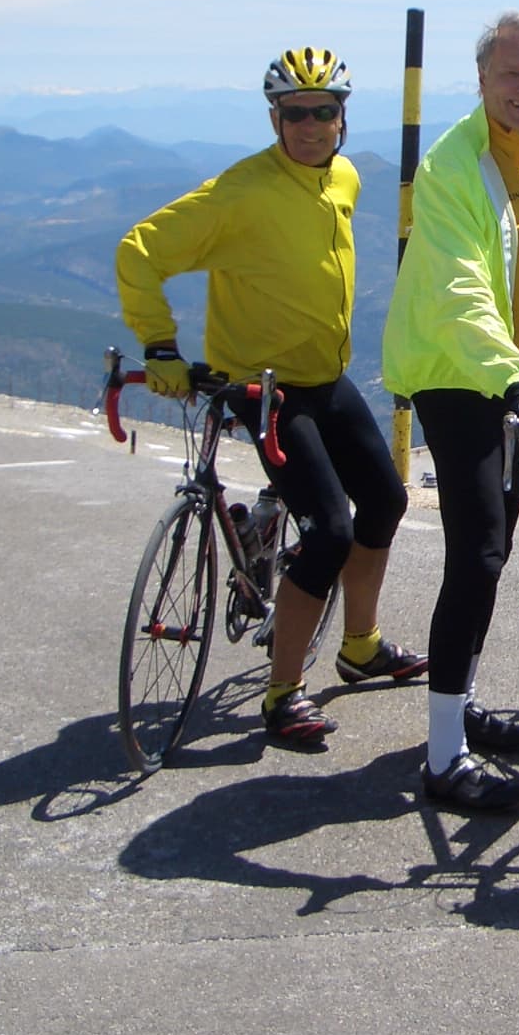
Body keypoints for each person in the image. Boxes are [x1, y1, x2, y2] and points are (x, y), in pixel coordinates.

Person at [116, 48, 424, 747]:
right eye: (296, 114)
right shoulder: (239, 193)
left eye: (325, 111)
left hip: (325, 377)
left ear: (343, 116)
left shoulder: (344, 176)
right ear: (274, 117)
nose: (312, 125)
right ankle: (283, 695)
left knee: (386, 500)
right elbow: (139, 251)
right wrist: (161, 346)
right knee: (330, 532)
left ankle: (361, 646)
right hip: (263, 390)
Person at [382, 11, 519, 814]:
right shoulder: (450, 166)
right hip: (454, 371)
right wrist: (513, 380)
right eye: (512, 74)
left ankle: (459, 704)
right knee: (475, 550)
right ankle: (442, 760)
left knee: (499, 543)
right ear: (480, 81)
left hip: (518, 374)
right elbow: (462, 290)